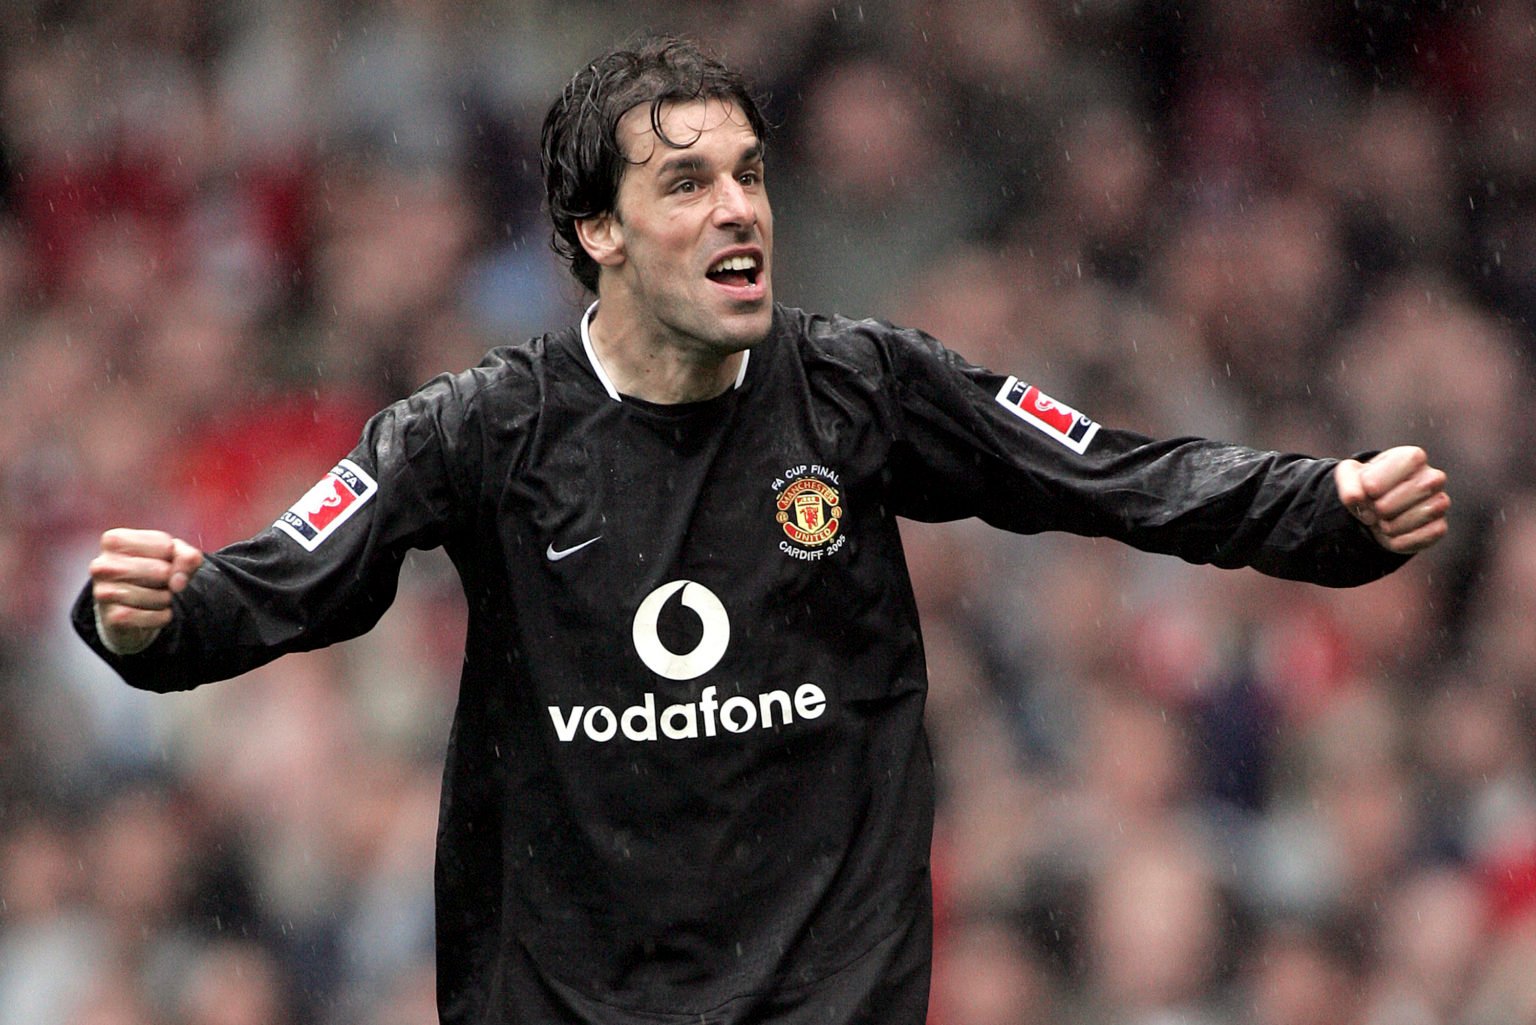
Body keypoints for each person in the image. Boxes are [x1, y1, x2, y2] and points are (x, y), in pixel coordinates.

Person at [74, 35, 1450, 1025]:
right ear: (595, 231)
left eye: (749, 174)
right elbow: (284, 577)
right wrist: (151, 620)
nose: (738, 208)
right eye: (686, 184)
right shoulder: (482, 427)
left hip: (822, 992)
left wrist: (1319, 510)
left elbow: (1110, 469)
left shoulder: (864, 384)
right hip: (568, 994)